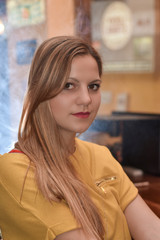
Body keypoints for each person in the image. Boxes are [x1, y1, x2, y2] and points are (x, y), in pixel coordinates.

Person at [0, 36, 159, 240]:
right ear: (41, 91)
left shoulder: (100, 155)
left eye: (93, 86)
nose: (86, 99)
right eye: (68, 85)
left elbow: (152, 230)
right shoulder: (13, 170)